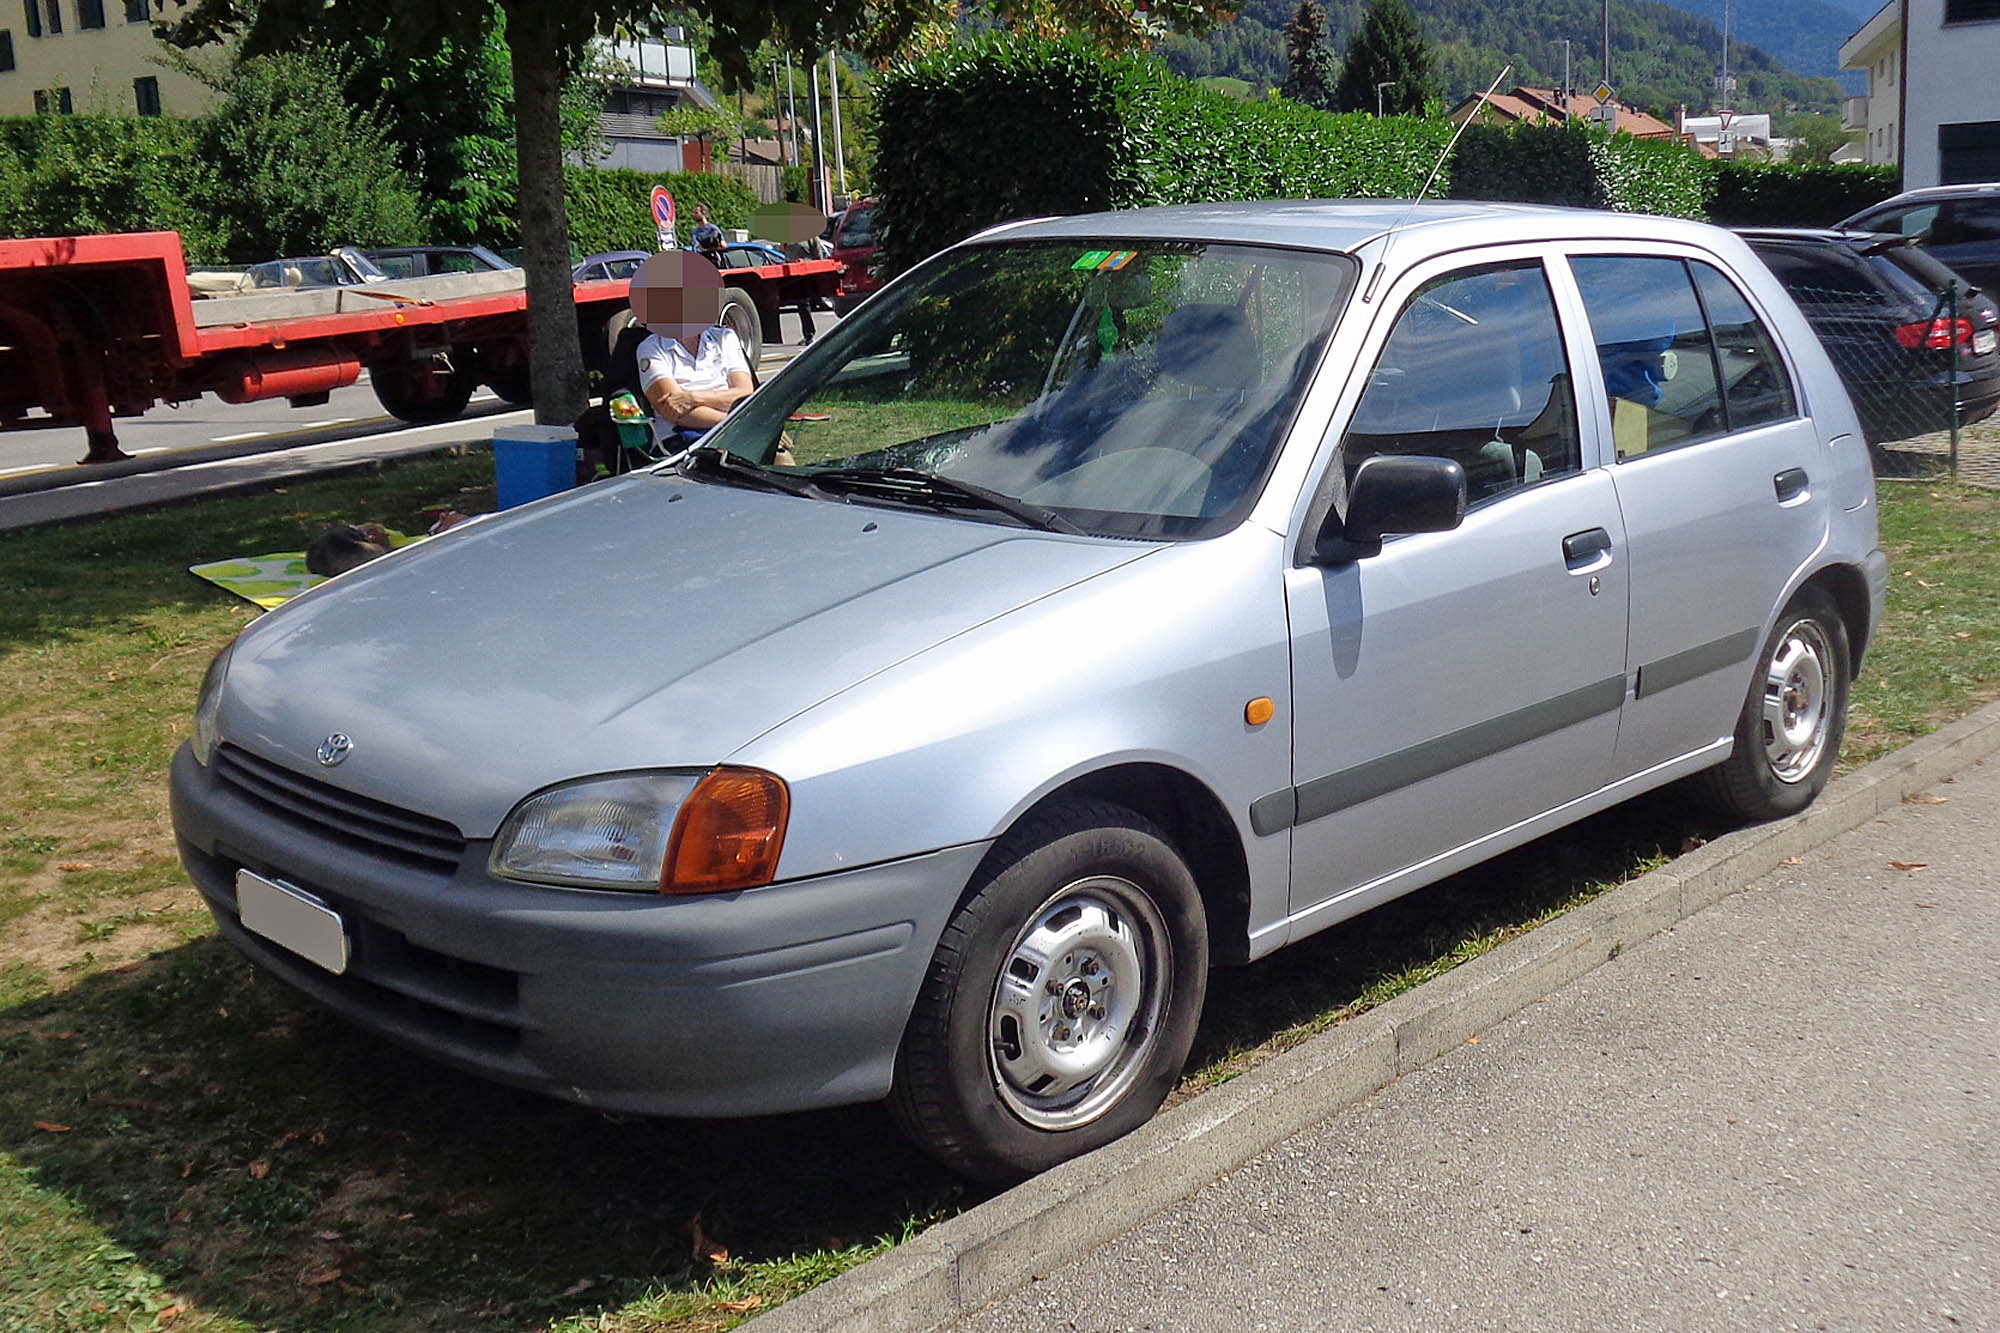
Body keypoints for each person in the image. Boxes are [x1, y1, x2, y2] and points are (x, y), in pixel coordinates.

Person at [629, 251, 754, 449]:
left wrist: (693, 398)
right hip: (683, 441)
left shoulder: (725, 338)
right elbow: (675, 411)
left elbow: (745, 393)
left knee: (780, 459)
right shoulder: (652, 348)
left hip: (731, 430)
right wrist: (735, 424)